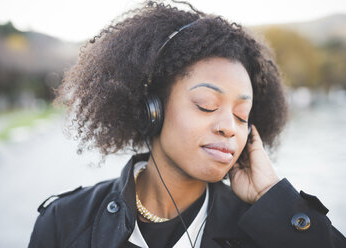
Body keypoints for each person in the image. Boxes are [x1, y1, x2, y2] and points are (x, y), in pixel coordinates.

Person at [28, 1, 346, 247]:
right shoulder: (65, 222)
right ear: (151, 108)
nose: (229, 127)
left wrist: (276, 199)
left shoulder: (267, 229)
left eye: (241, 115)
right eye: (206, 105)